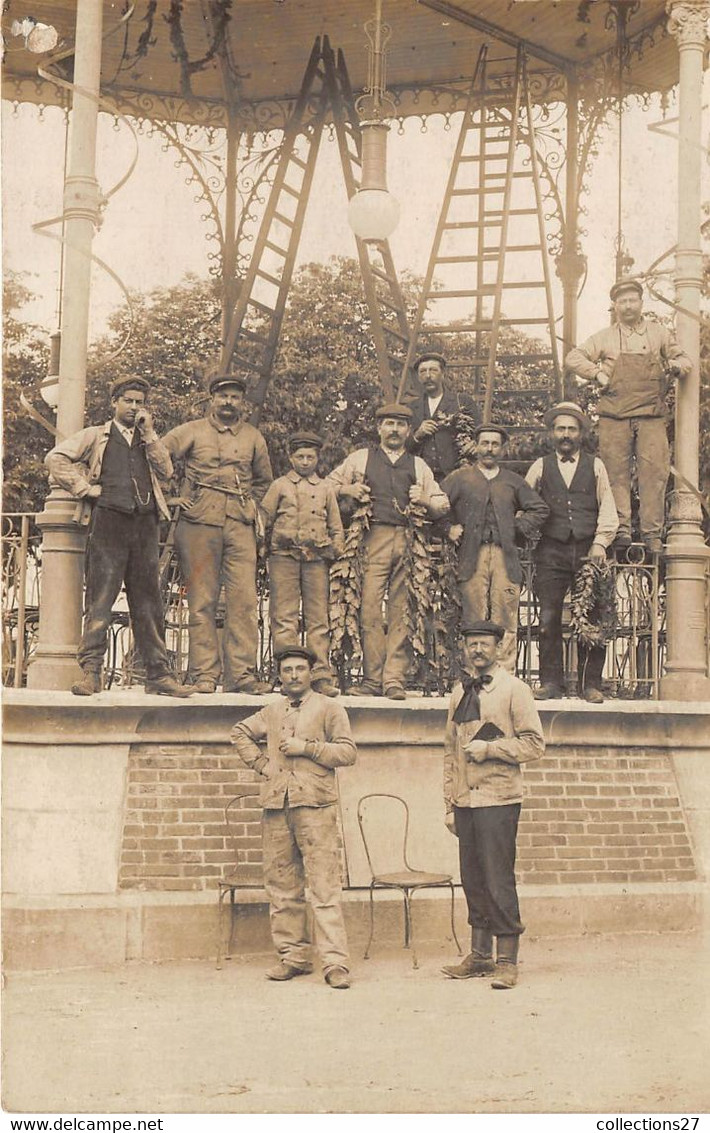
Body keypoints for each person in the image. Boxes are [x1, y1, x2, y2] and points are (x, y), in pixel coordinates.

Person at [45, 377, 191, 698]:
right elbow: (56, 458)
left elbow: (166, 471)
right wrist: (84, 488)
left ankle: (157, 674)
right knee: (100, 598)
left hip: (144, 526)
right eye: (128, 401)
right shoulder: (96, 436)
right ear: (114, 402)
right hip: (108, 523)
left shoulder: (147, 440)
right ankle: (92, 673)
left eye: (139, 402)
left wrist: (150, 434)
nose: (134, 408)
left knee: (149, 601)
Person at [230, 644, 357, 989]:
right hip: (276, 806)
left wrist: (309, 749)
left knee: (323, 886)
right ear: (280, 676)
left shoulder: (331, 708)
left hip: (316, 807)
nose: (294, 675)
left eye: (300, 669)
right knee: (283, 886)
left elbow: (347, 752)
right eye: (287, 670)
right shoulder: (272, 711)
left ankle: (335, 964)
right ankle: (294, 957)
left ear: (311, 673)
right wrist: (262, 765)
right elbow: (239, 732)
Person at [442, 621, 544, 989]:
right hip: (466, 802)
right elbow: (450, 753)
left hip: (499, 799)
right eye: (471, 644)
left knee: (498, 879)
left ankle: (506, 961)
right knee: (472, 878)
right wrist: (450, 804)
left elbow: (534, 744)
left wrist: (491, 749)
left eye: (484, 644)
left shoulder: (515, 690)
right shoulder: (459, 691)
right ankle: (480, 956)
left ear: (499, 647)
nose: (477, 650)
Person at [328, 402, 449, 699]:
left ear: (409, 431)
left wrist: (425, 500)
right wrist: (348, 490)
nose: (394, 430)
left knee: (402, 610)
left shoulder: (418, 465)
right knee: (368, 607)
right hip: (373, 537)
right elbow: (326, 486)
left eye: (400, 425)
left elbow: (442, 504)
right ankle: (372, 679)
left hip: (409, 540)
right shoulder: (361, 458)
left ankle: (393, 679)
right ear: (378, 428)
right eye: (388, 424)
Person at [162, 374, 273, 694]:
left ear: (242, 402)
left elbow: (265, 482)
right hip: (198, 519)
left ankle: (242, 675)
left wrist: (257, 514)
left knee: (244, 601)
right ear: (211, 398)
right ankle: (204, 674)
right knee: (201, 599)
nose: (228, 402)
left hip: (240, 523)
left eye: (235, 397)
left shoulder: (253, 437)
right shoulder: (191, 431)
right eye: (222, 396)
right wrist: (170, 498)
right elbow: (157, 456)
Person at [565, 277, 691, 554]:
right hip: (614, 416)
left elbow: (684, 360)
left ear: (641, 303)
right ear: (615, 306)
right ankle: (620, 530)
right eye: (622, 301)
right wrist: (597, 373)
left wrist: (675, 366)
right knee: (614, 475)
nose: (628, 306)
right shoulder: (605, 336)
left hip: (651, 415)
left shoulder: (658, 333)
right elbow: (573, 358)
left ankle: (652, 534)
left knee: (654, 473)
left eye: (632, 300)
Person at [525, 402, 619, 703]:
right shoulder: (540, 466)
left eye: (572, 429)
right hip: (550, 550)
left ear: (581, 433)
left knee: (590, 616)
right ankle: (551, 682)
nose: (566, 434)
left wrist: (600, 543)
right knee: (548, 617)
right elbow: (524, 503)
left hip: (587, 549)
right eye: (560, 428)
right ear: (552, 433)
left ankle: (590, 684)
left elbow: (607, 506)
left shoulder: (595, 465)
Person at [442, 423, 549, 672]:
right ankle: (472, 675)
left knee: (505, 615)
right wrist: (448, 528)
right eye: (484, 443)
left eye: (494, 444)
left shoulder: (512, 481)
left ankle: (504, 674)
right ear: (476, 446)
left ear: (502, 448)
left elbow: (540, 508)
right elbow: (435, 505)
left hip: (505, 556)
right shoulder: (461, 478)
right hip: (471, 557)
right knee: (474, 616)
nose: (489, 449)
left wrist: (517, 526)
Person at [259, 431, 344, 698]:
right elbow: (263, 518)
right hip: (283, 557)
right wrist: (263, 546)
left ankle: (320, 675)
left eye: (310, 457)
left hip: (316, 560)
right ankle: (287, 674)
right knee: (284, 617)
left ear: (318, 459)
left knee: (318, 618)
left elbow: (336, 526)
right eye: (300, 456)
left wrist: (334, 549)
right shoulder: (279, 486)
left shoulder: (326, 489)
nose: (305, 462)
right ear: (291, 457)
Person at [405, 352, 478, 480]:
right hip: (422, 478)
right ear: (418, 377)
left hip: (456, 475)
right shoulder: (411, 408)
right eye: (422, 371)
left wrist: (474, 443)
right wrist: (417, 435)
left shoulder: (462, 401)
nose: (428, 375)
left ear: (443, 374)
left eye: (433, 370)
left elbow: (480, 433)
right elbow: (402, 446)